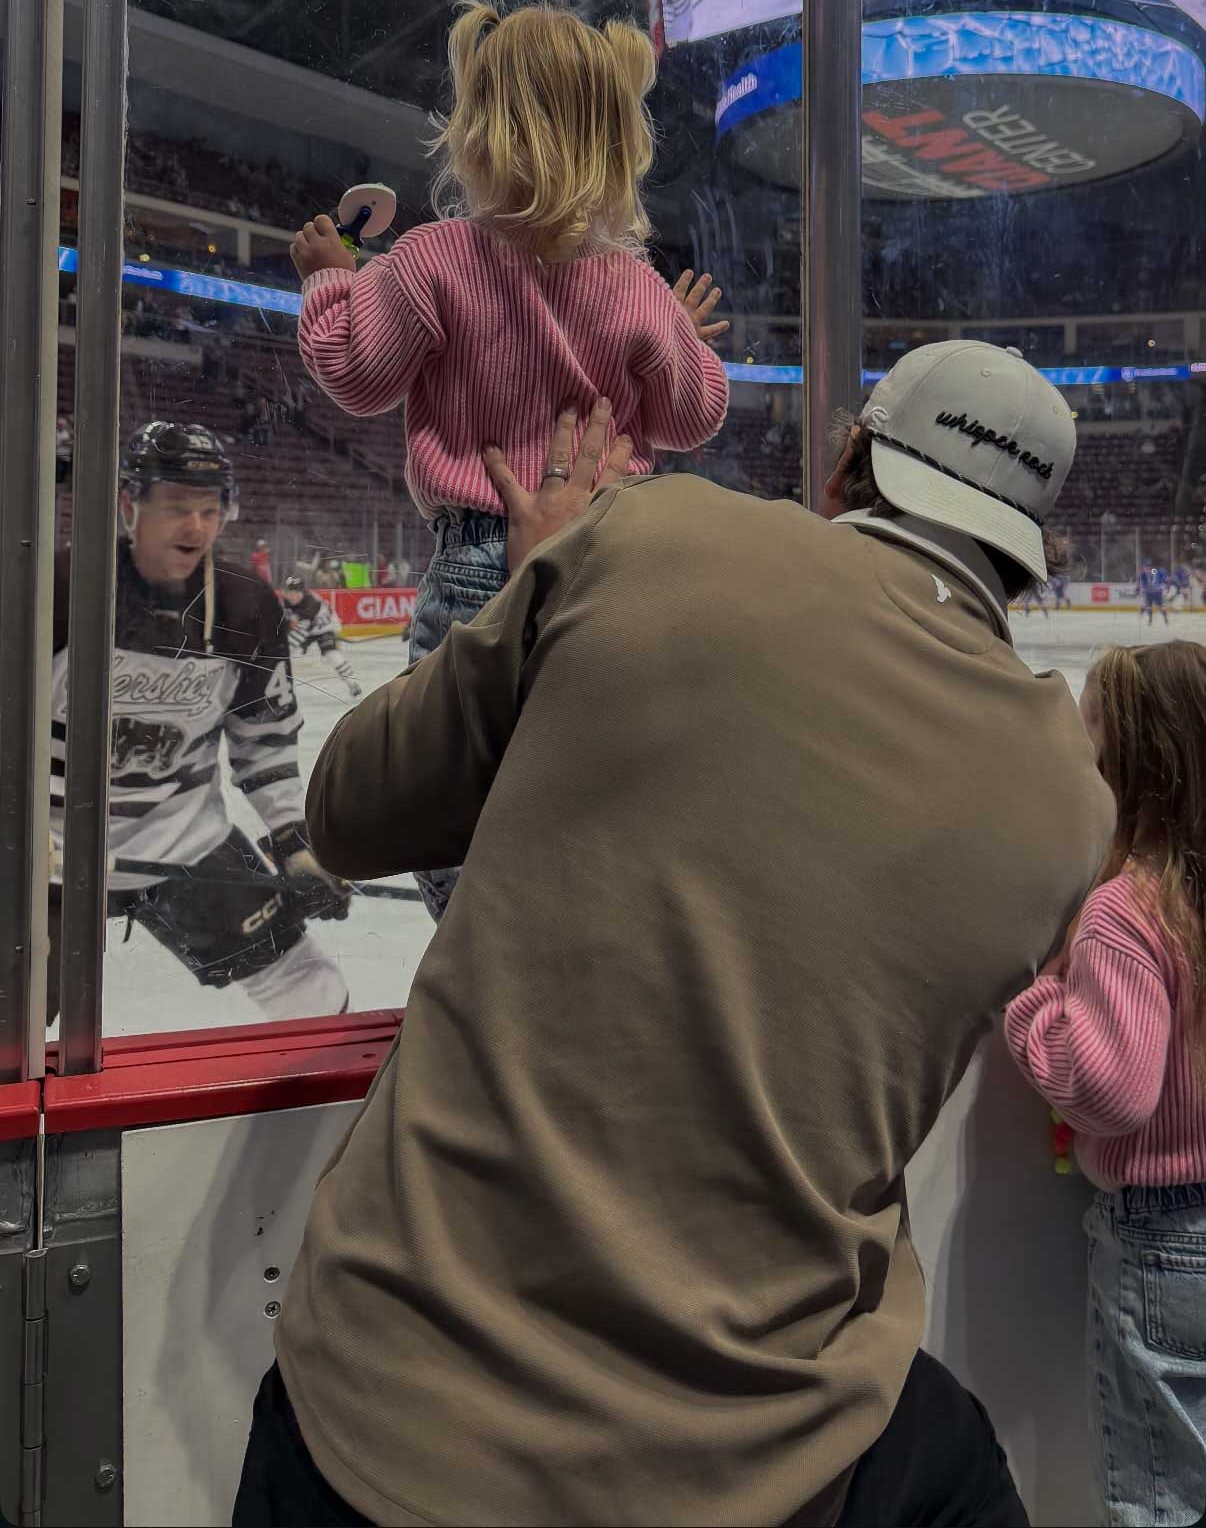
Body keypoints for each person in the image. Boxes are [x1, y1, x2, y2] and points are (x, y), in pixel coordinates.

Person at [236, 343, 1113, 1528]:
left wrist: (539, 596)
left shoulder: (652, 538)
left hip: (389, 1404)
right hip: (763, 1454)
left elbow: (348, 808)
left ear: (852, 458)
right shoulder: (1071, 801)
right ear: (1032, 547)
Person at [291, 0, 731, 923]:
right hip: (616, 567)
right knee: (590, 784)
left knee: (453, 798)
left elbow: (356, 375)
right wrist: (680, 341)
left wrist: (331, 279)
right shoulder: (637, 286)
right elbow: (694, 414)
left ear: (477, 129)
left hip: (475, 574)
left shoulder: (432, 257)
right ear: (616, 139)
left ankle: (483, 958)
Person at [47, 423, 349, 1026]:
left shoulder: (245, 607)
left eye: (210, 511)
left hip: (182, 838)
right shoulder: (55, 591)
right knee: (12, 1032)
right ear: (129, 506)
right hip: (46, 849)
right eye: (178, 509)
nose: (196, 528)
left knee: (310, 990)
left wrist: (292, 839)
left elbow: (262, 742)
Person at [1005, 643, 1206, 1527]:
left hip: (1162, 1241)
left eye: (1092, 737)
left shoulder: (1129, 908)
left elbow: (1112, 1089)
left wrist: (1035, 1003)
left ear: (1131, 765)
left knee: (1157, 1497)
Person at [280, 575, 363, 703]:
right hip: (308, 627)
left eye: (294, 592)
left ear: (301, 592)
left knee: (332, 656)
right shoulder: (288, 601)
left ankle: (353, 684)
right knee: (286, 650)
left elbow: (296, 631)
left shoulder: (310, 604)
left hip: (325, 628)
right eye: (289, 592)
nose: (291, 595)